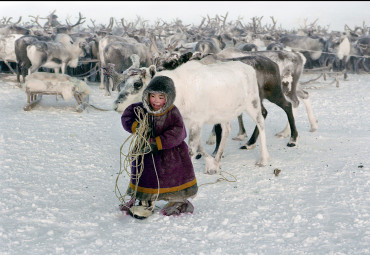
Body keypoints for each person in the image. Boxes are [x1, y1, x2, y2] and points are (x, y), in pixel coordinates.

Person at [120, 75, 198, 219]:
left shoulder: (173, 112)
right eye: (153, 96)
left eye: (161, 97)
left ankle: (177, 200)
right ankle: (145, 201)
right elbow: (127, 116)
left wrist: (159, 141)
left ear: (168, 97)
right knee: (145, 175)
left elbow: (179, 131)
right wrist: (137, 126)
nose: (156, 100)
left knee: (173, 177)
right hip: (145, 152)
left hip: (171, 154)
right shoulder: (141, 108)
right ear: (147, 95)